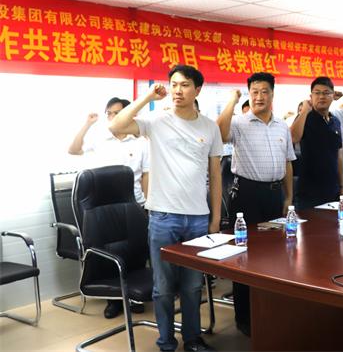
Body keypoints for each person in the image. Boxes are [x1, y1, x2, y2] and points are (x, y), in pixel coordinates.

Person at [109, 65, 222, 352]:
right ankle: (166, 343)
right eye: (174, 84)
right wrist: (148, 96)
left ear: (197, 90)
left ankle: (193, 339)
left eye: (184, 85)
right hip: (163, 217)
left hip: (198, 218)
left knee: (193, 285)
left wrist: (215, 218)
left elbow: (215, 175)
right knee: (163, 287)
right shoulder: (156, 121)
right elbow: (116, 126)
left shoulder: (209, 127)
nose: (177, 90)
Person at [216, 72, 295, 337]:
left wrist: (288, 197)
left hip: (274, 195)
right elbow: (220, 133)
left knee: (275, 254)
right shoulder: (239, 122)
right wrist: (232, 100)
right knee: (244, 257)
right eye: (254, 92)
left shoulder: (281, 125)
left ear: (272, 94)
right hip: (247, 195)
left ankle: (269, 310)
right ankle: (245, 318)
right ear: (249, 94)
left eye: (264, 91)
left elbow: (288, 162)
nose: (259, 97)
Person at [68, 96, 150, 319]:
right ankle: (113, 300)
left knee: (135, 251)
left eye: (116, 113)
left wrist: (147, 204)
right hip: (103, 208)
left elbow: (146, 175)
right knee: (109, 253)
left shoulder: (140, 141)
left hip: (134, 204)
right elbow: (74, 150)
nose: (112, 117)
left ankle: (133, 297)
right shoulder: (99, 136)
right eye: (109, 114)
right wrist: (87, 124)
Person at [290, 76, 343, 210]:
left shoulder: (335, 121)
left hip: (332, 189)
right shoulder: (305, 118)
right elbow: (293, 138)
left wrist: (342, 186)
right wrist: (304, 111)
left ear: (332, 96)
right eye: (317, 93)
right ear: (311, 96)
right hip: (309, 192)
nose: (321, 97)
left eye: (326, 93)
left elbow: (338, 155)